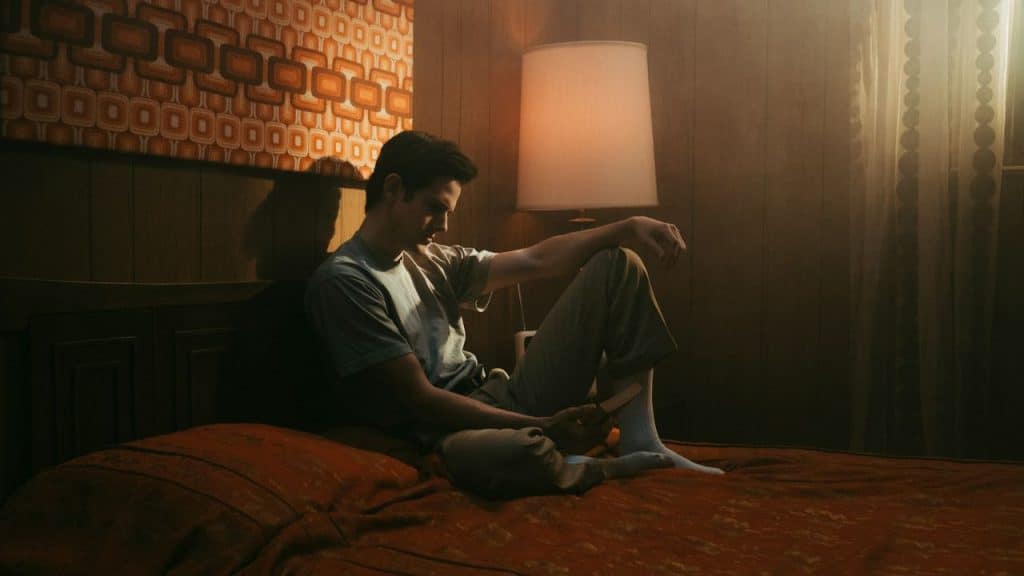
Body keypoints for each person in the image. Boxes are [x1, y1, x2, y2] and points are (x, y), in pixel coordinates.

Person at [305, 131, 723, 499]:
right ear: (394, 190)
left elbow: (535, 260)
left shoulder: (431, 260)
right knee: (511, 451)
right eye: (436, 207)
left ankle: (639, 438)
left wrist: (627, 226)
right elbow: (421, 399)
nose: (445, 225)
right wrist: (543, 425)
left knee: (619, 262)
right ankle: (592, 465)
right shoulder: (345, 281)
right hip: (445, 432)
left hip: (500, 396)